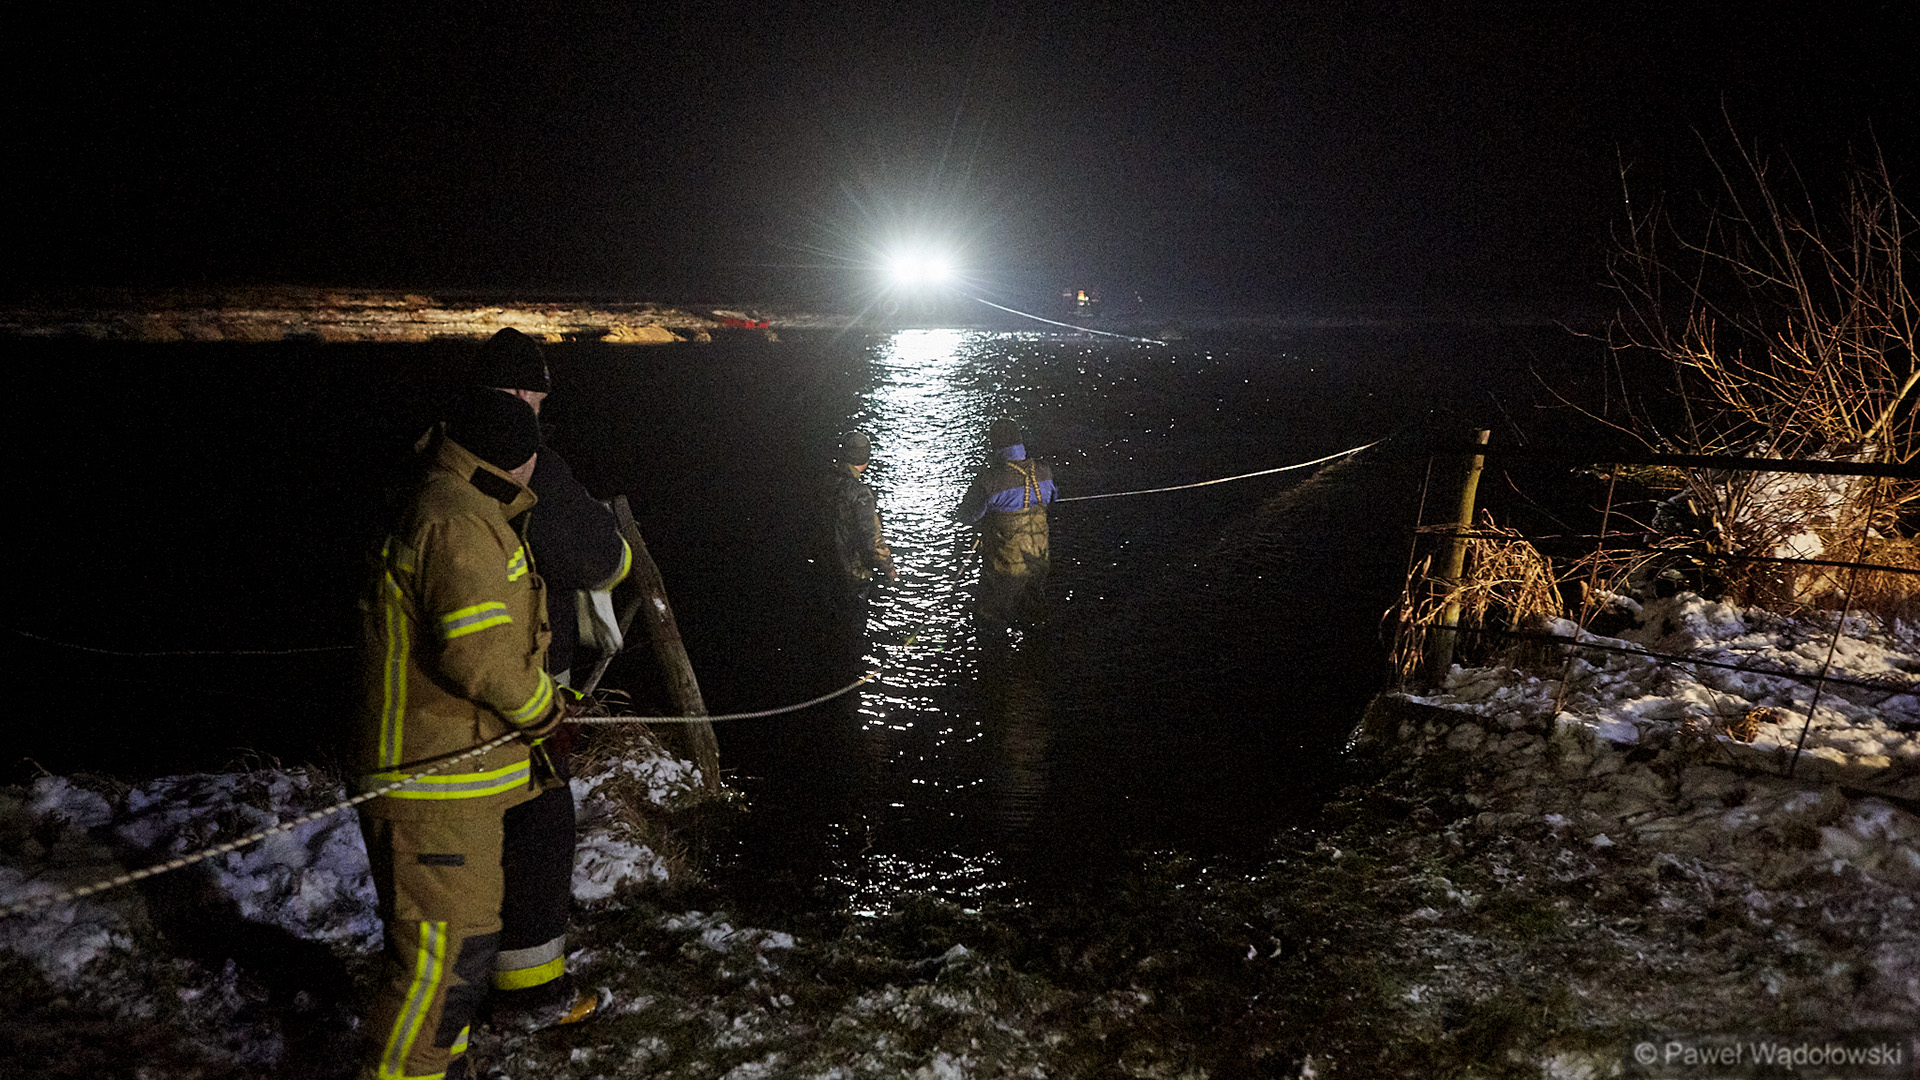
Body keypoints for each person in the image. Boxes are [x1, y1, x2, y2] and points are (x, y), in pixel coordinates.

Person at [354, 386, 567, 1080]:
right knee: (442, 964)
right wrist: (546, 710)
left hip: (452, 778)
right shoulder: (460, 523)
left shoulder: (454, 502)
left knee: (460, 955)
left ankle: (440, 1068)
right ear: (519, 458)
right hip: (433, 782)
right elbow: (478, 655)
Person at [470, 327, 629, 1032]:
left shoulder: (433, 460)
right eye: (534, 394)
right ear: (521, 394)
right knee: (538, 826)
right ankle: (529, 988)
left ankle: (468, 980)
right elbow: (600, 557)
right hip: (530, 689)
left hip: (440, 712)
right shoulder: (530, 465)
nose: (536, 408)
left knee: (467, 851)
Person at [957, 417, 1056, 630]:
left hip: (1006, 569)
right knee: (1033, 618)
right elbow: (1052, 498)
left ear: (994, 445)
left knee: (990, 621)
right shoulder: (1044, 471)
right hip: (1039, 563)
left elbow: (967, 515)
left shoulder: (990, 480)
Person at [822, 430, 897, 606]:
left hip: (823, 566)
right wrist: (889, 569)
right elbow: (873, 540)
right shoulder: (860, 494)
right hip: (851, 575)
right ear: (865, 459)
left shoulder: (825, 480)